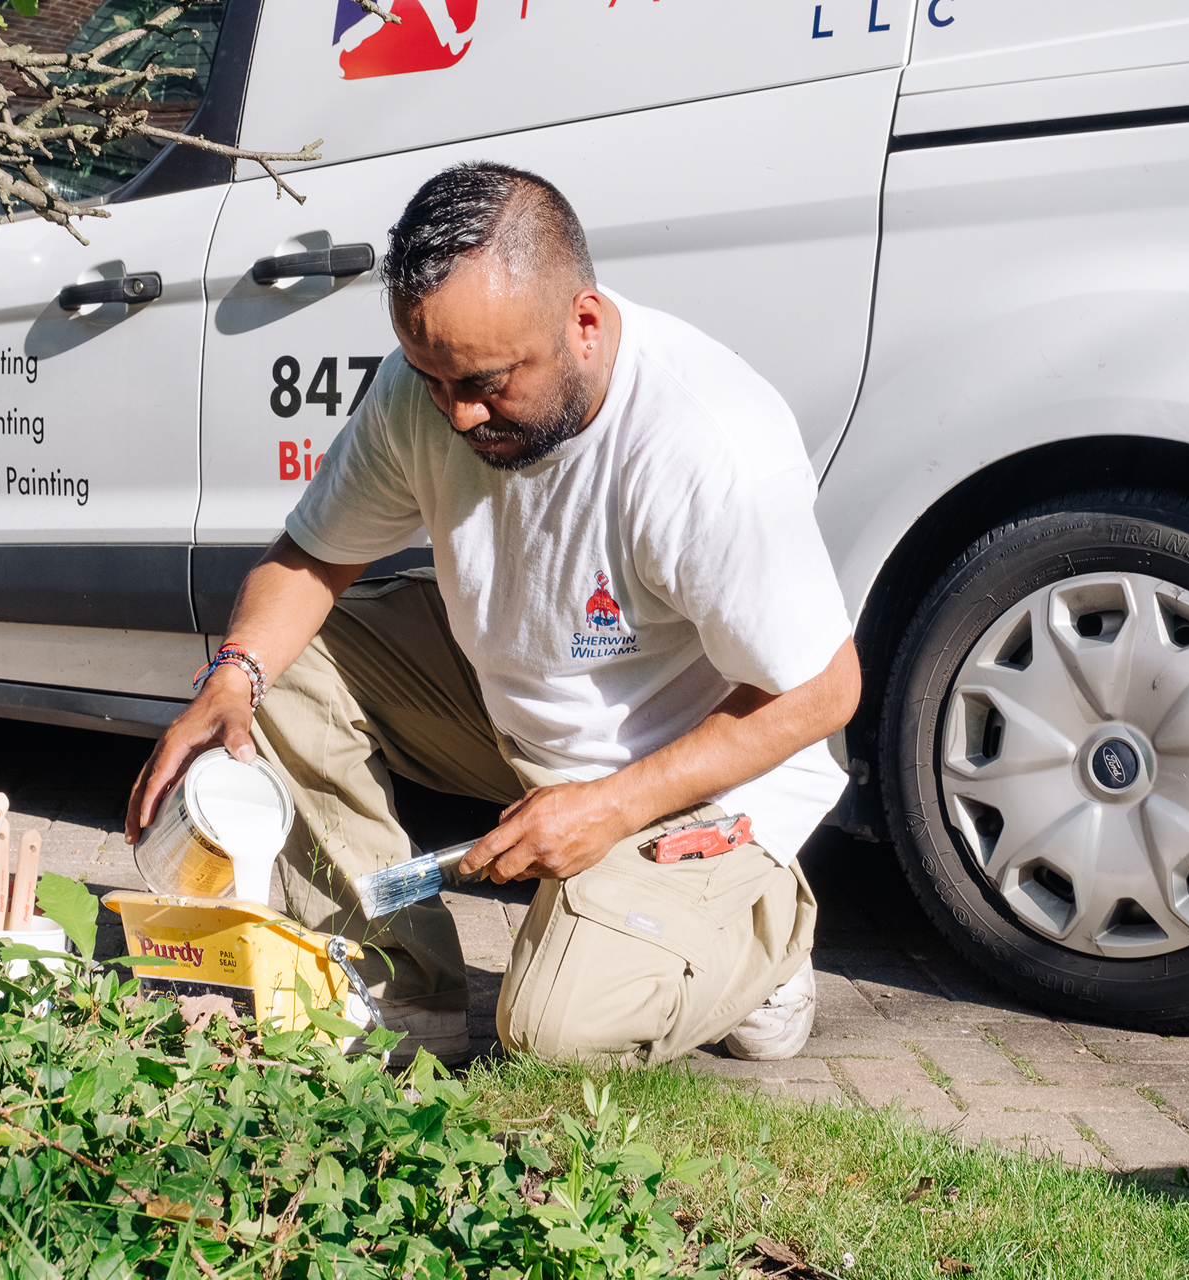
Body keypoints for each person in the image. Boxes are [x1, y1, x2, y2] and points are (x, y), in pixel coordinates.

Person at [127, 162, 860, 1065]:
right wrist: (231, 675)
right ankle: (399, 987)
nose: (459, 413)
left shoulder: (704, 443)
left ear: (583, 323)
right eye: (432, 377)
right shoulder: (425, 390)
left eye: (483, 381)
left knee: (550, 1031)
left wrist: (610, 807)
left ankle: (757, 940)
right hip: (526, 726)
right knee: (279, 670)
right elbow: (309, 559)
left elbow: (826, 692)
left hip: (701, 785)